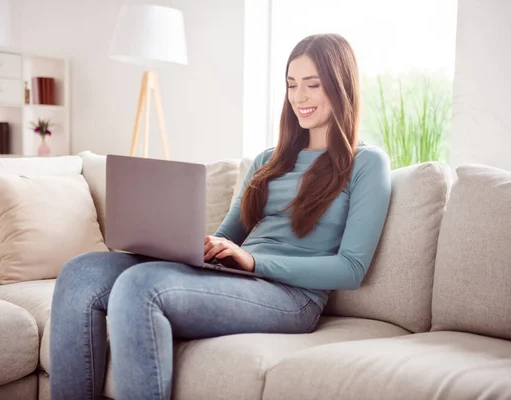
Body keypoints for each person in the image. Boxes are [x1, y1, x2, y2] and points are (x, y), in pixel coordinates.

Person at [49, 33, 391, 400]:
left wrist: (255, 262)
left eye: (313, 85)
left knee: (140, 287)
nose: (299, 98)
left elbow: (351, 268)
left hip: (293, 298)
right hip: (241, 277)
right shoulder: (268, 160)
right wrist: (183, 244)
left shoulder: (366, 163)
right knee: (80, 273)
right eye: (292, 85)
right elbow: (225, 236)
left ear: (341, 87)